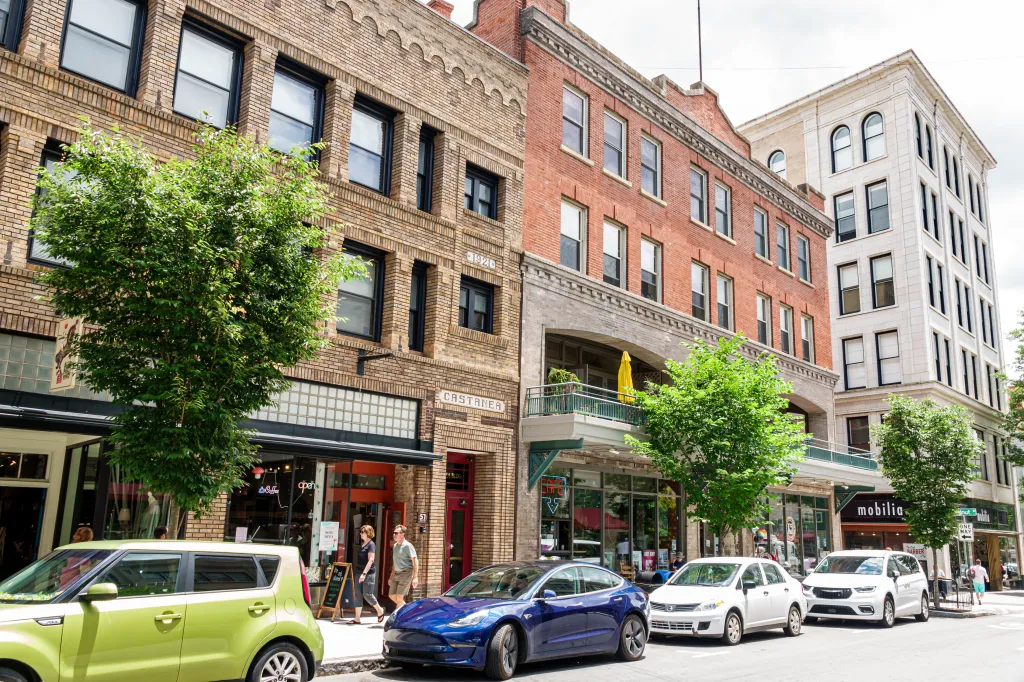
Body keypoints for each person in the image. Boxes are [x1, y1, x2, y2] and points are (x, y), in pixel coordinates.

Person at [348, 525, 385, 624]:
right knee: (358, 594)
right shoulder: (363, 544)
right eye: (360, 531)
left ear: (368, 533)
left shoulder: (371, 544)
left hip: (368, 573)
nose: (360, 533)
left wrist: (364, 574)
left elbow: (371, 560)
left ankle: (379, 610)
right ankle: (357, 618)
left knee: (367, 594)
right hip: (359, 571)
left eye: (362, 532)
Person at [388, 525, 418, 610]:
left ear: (402, 534)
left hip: (406, 573)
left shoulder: (408, 546)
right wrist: (391, 577)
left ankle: (397, 619)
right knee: (391, 595)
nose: (394, 535)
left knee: (399, 598)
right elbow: (395, 562)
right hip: (397, 573)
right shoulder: (395, 546)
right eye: (394, 533)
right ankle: (408, 611)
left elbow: (415, 561)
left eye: (396, 533)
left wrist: (415, 577)